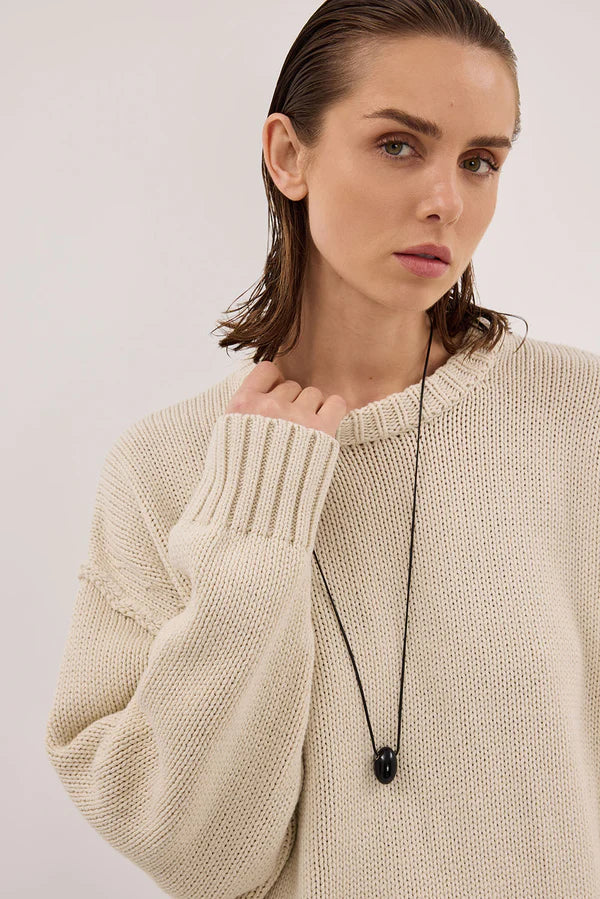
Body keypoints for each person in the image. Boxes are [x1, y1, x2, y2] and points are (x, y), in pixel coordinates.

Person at [45, 1, 600, 896]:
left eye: (480, 161)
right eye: (398, 145)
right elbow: (200, 852)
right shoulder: (165, 468)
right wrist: (255, 520)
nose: (446, 201)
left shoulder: (577, 419)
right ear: (287, 155)